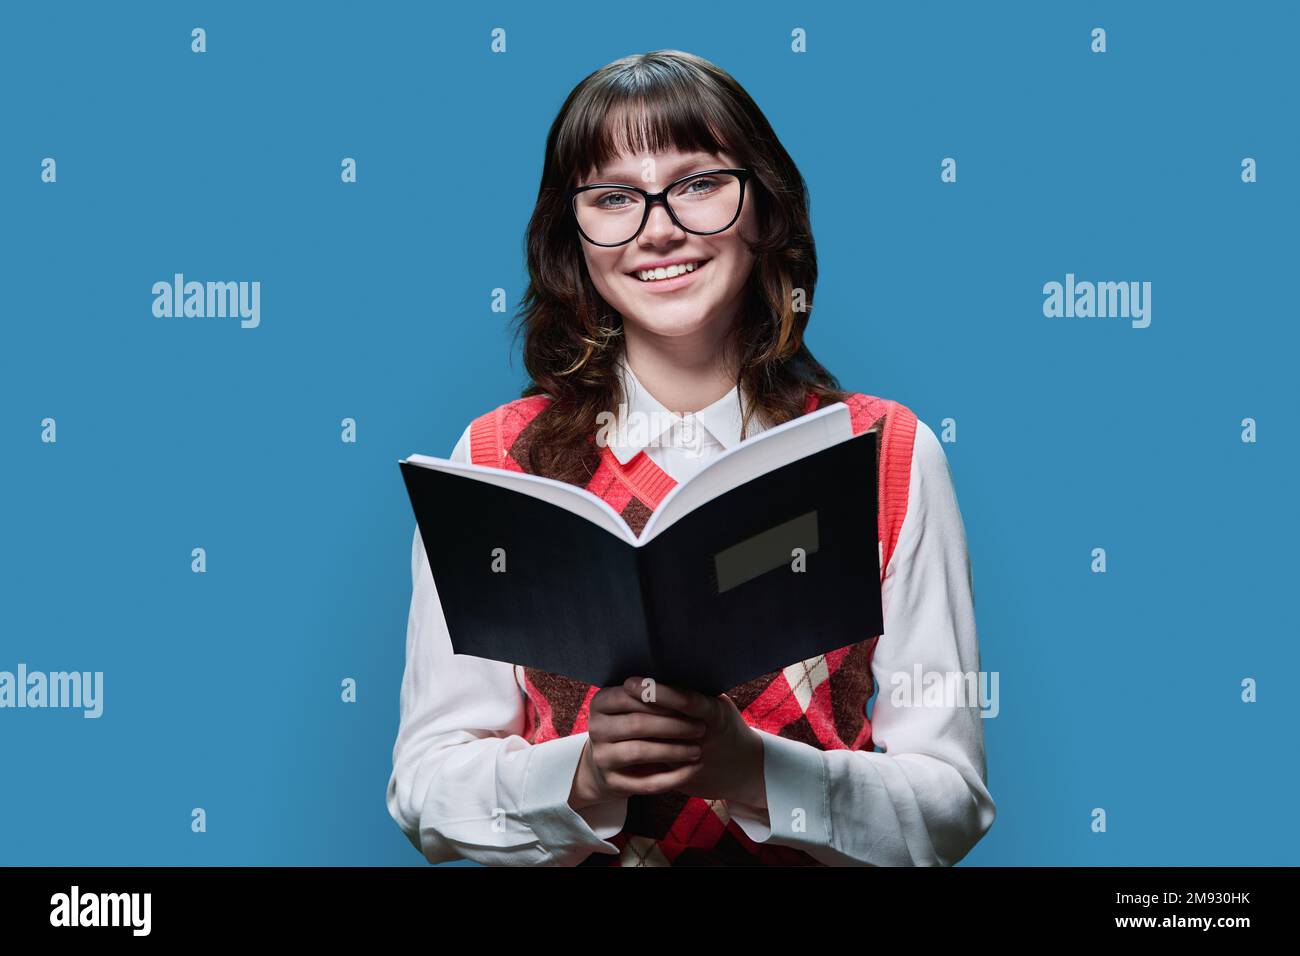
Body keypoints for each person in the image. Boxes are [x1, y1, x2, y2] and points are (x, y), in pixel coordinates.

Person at [386, 49, 995, 866]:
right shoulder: (498, 459)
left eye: (699, 184)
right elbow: (425, 791)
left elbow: (949, 806)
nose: (659, 228)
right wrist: (589, 776)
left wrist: (750, 768)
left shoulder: (883, 454)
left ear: (764, 209)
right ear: (573, 236)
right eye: (612, 198)